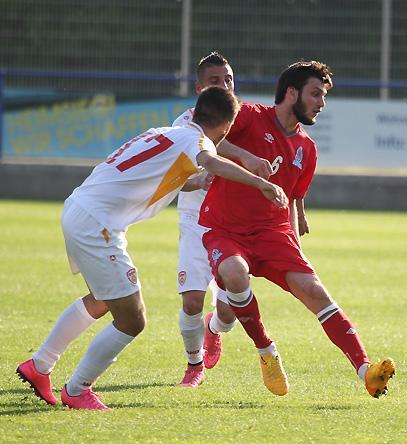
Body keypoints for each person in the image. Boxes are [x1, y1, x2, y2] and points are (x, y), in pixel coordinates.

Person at [15, 86, 287, 410]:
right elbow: (211, 161)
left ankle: (40, 365)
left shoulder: (166, 133)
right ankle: (77, 390)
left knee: (101, 300)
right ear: (226, 126)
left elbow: (155, 175)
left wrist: (196, 182)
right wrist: (262, 183)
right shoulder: (198, 142)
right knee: (132, 319)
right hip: (98, 224)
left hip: (79, 208)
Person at [200, 61, 396, 398]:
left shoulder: (308, 148)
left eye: (324, 96)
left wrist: (296, 247)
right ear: (291, 93)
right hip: (225, 229)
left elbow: (290, 200)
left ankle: (366, 371)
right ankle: (266, 350)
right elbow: (208, 141)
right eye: (315, 94)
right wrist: (246, 157)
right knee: (234, 277)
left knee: (316, 292)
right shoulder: (249, 115)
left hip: (272, 234)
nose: (321, 103)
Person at [172, 52, 308, 388]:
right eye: (215, 81)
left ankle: (214, 328)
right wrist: (203, 178)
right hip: (195, 219)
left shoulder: (247, 117)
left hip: (233, 225)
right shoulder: (186, 123)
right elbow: (183, 170)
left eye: (228, 80)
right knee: (191, 299)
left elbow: (290, 169)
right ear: (200, 88)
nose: (224, 86)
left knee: (228, 311)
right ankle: (194, 365)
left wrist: (296, 213)